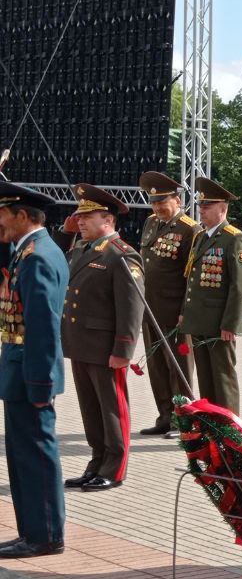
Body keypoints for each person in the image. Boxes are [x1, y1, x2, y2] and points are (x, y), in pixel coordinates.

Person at [59, 184, 145, 492]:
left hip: (106, 347)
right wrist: (65, 230)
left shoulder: (121, 255)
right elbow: (58, 258)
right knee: (91, 410)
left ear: (107, 220)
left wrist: (123, 348)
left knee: (111, 409)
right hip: (81, 344)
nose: (80, 222)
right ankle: (96, 463)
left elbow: (131, 307)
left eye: (87, 216)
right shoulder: (84, 249)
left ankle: (114, 468)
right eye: (79, 216)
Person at [0, 181, 70, 558]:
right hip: (20, 373)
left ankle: (45, 535)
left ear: (23, 215)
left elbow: (42, 328)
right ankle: (32, 531)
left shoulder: (39, 256)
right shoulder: (29, 249)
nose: (0, 221)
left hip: (32, 375)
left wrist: (40, 384)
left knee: (36, 458)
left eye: (3, 214)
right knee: (23, 457)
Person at [180, 177, 242, 412]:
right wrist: (185, 314)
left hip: (220, 324)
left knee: (223, 379)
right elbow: (192, 280)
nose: (202, 211)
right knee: (206, 381)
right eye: (200, 206)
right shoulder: (200, 237)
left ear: (223, 208)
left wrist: (230, 324)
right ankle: (212, 428)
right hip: (199, 321)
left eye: (207, 206)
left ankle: (232, 432)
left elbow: (239, 286)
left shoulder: (234, 237)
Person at [136, 171, 197, 437]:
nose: (158, 207)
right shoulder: (150, 223)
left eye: (164, 202)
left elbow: (191, 277)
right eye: (154, 202)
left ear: (177, 200)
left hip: (174, 311)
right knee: (157, 365)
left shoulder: (190, 229)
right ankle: (165, 416)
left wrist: (186, 311)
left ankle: (184, 421)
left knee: (178, 366)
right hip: (149, 307)